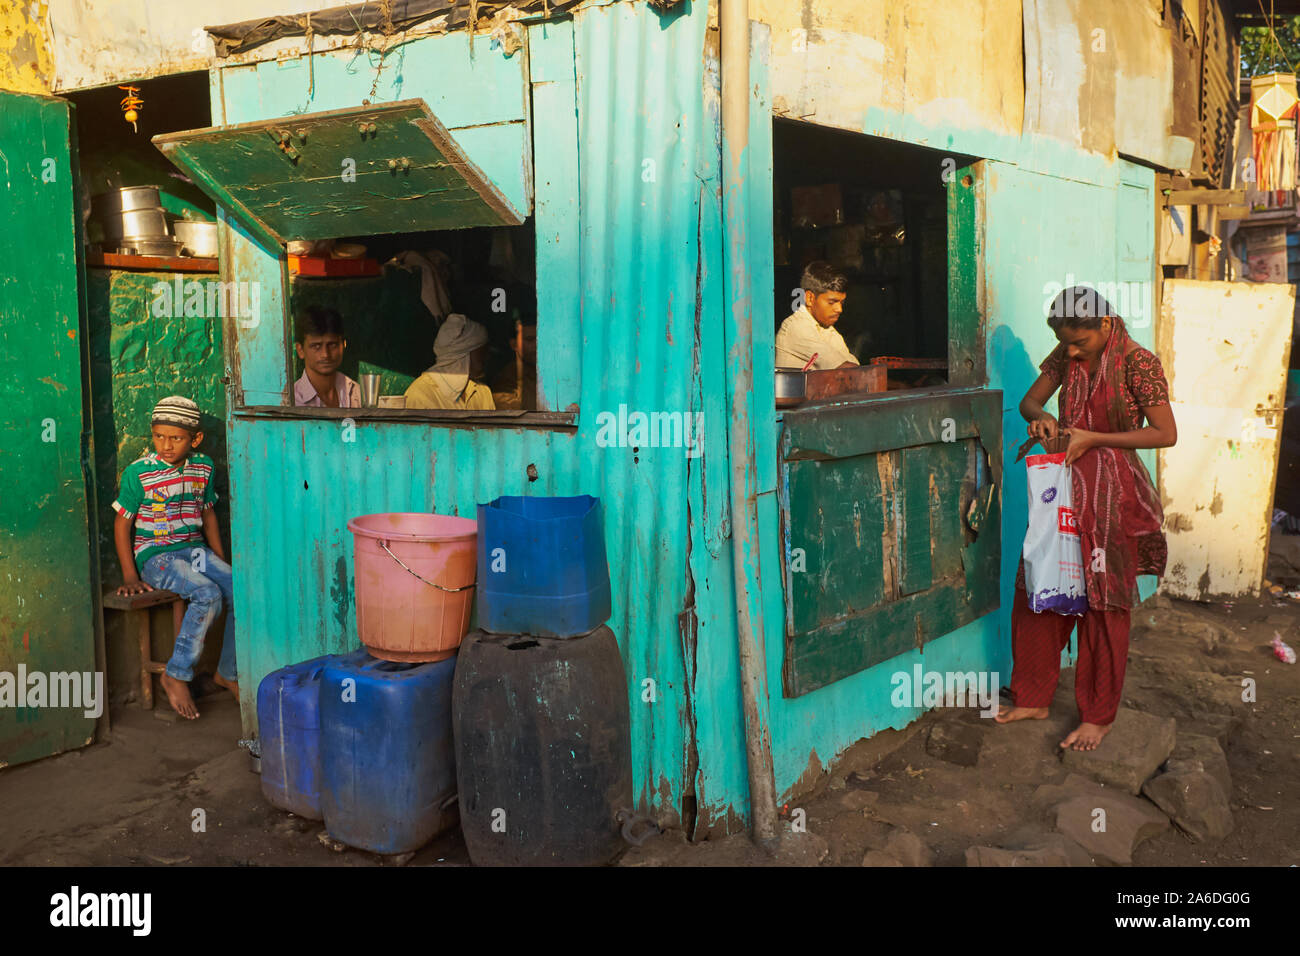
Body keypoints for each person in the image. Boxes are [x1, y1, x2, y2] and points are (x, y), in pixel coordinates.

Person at [995, 286, 1177, 751]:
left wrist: (1094, 437)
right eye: (1065, 343)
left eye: (1079, 342)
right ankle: (1033, 696)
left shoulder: (1138, 362)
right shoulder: (1067, 352)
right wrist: (1044, 422)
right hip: (1063, 488)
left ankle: (1098, 716)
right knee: (1040, 585)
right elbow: (1029, 403)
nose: (1070, 352)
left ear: (1107, 325)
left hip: (1114, 494)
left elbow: (1164, 434)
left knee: (1103, 602)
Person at [112, 396, 237, 720]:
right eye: (159, 436)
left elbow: (208, 517)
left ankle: (227, 672)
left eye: (176, 438)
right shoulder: (138, 473)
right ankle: (176, 674)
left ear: (195, 439)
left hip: (195, 551)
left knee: (240, 590)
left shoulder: (203, 467)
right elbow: (122, 523)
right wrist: (130, 575)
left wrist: (221, 563)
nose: (165, 445)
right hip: (157, 556)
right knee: (207, 594)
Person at [775, 260, 859, 370]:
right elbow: (845, 369)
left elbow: (853, 365)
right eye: (832, 302)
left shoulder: (827, 329)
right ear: (810, 298)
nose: (839, 309)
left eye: (841, 302)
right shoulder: (796, 327)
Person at [404, 313, 496, 410]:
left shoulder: (482, 392)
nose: (487, 357)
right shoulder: (420, 395)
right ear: (465, 353)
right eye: (483, 351)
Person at [293, 306, 361, 407]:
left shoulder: (356, 393)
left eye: (332, 344)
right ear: (300, 350)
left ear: (343, 345)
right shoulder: (292, 401)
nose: (325, 354)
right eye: (316, 346)